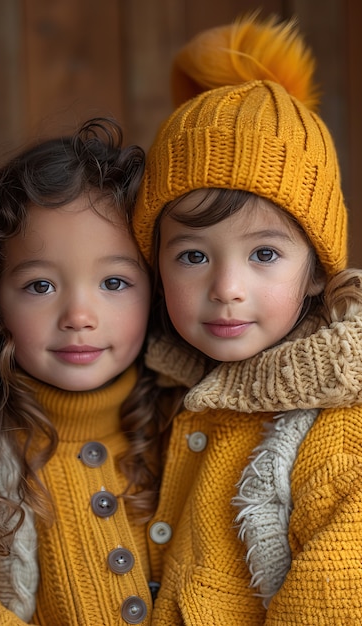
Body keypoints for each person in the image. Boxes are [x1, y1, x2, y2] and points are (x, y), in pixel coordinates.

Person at [132, 14, 362, 625]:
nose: (227, 289)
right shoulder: (158, 387)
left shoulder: (336, 430)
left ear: (316, 270)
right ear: (155, 263)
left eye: (264, 254)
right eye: (193, 255)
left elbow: (331, 604)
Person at [0, 117, 164, 625]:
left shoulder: (186, 421)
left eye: (114, 282)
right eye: (40, 286)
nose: (78, 316)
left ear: (155, 288)